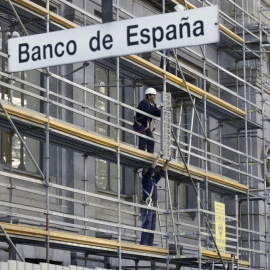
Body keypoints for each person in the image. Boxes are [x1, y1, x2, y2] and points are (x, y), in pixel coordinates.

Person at [140, 155, 169, 246]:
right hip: (147, 205)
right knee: (147, 223)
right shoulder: (145, 179)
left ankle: (150, 244)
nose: (149, 171)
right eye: (146, 170)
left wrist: (166, 163)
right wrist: (158, 158)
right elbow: (152, 168)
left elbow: (161, 172)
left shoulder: (153, 180)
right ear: (144, 173)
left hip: (153, 206)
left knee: (152, 226)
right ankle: (144, 243)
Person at [133, 88, 161, 153]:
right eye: (153, 95)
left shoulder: (153, 104)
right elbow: (148, 111)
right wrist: (157, 108)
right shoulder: (144, 102)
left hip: (145, 126)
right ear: (148, 96)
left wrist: (164, 111)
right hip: (139, 124)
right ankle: (141, 153)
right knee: (143, 138)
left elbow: (157, 113)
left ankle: (150, 154)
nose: (154, 97)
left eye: (154, 95)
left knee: (151, 140)